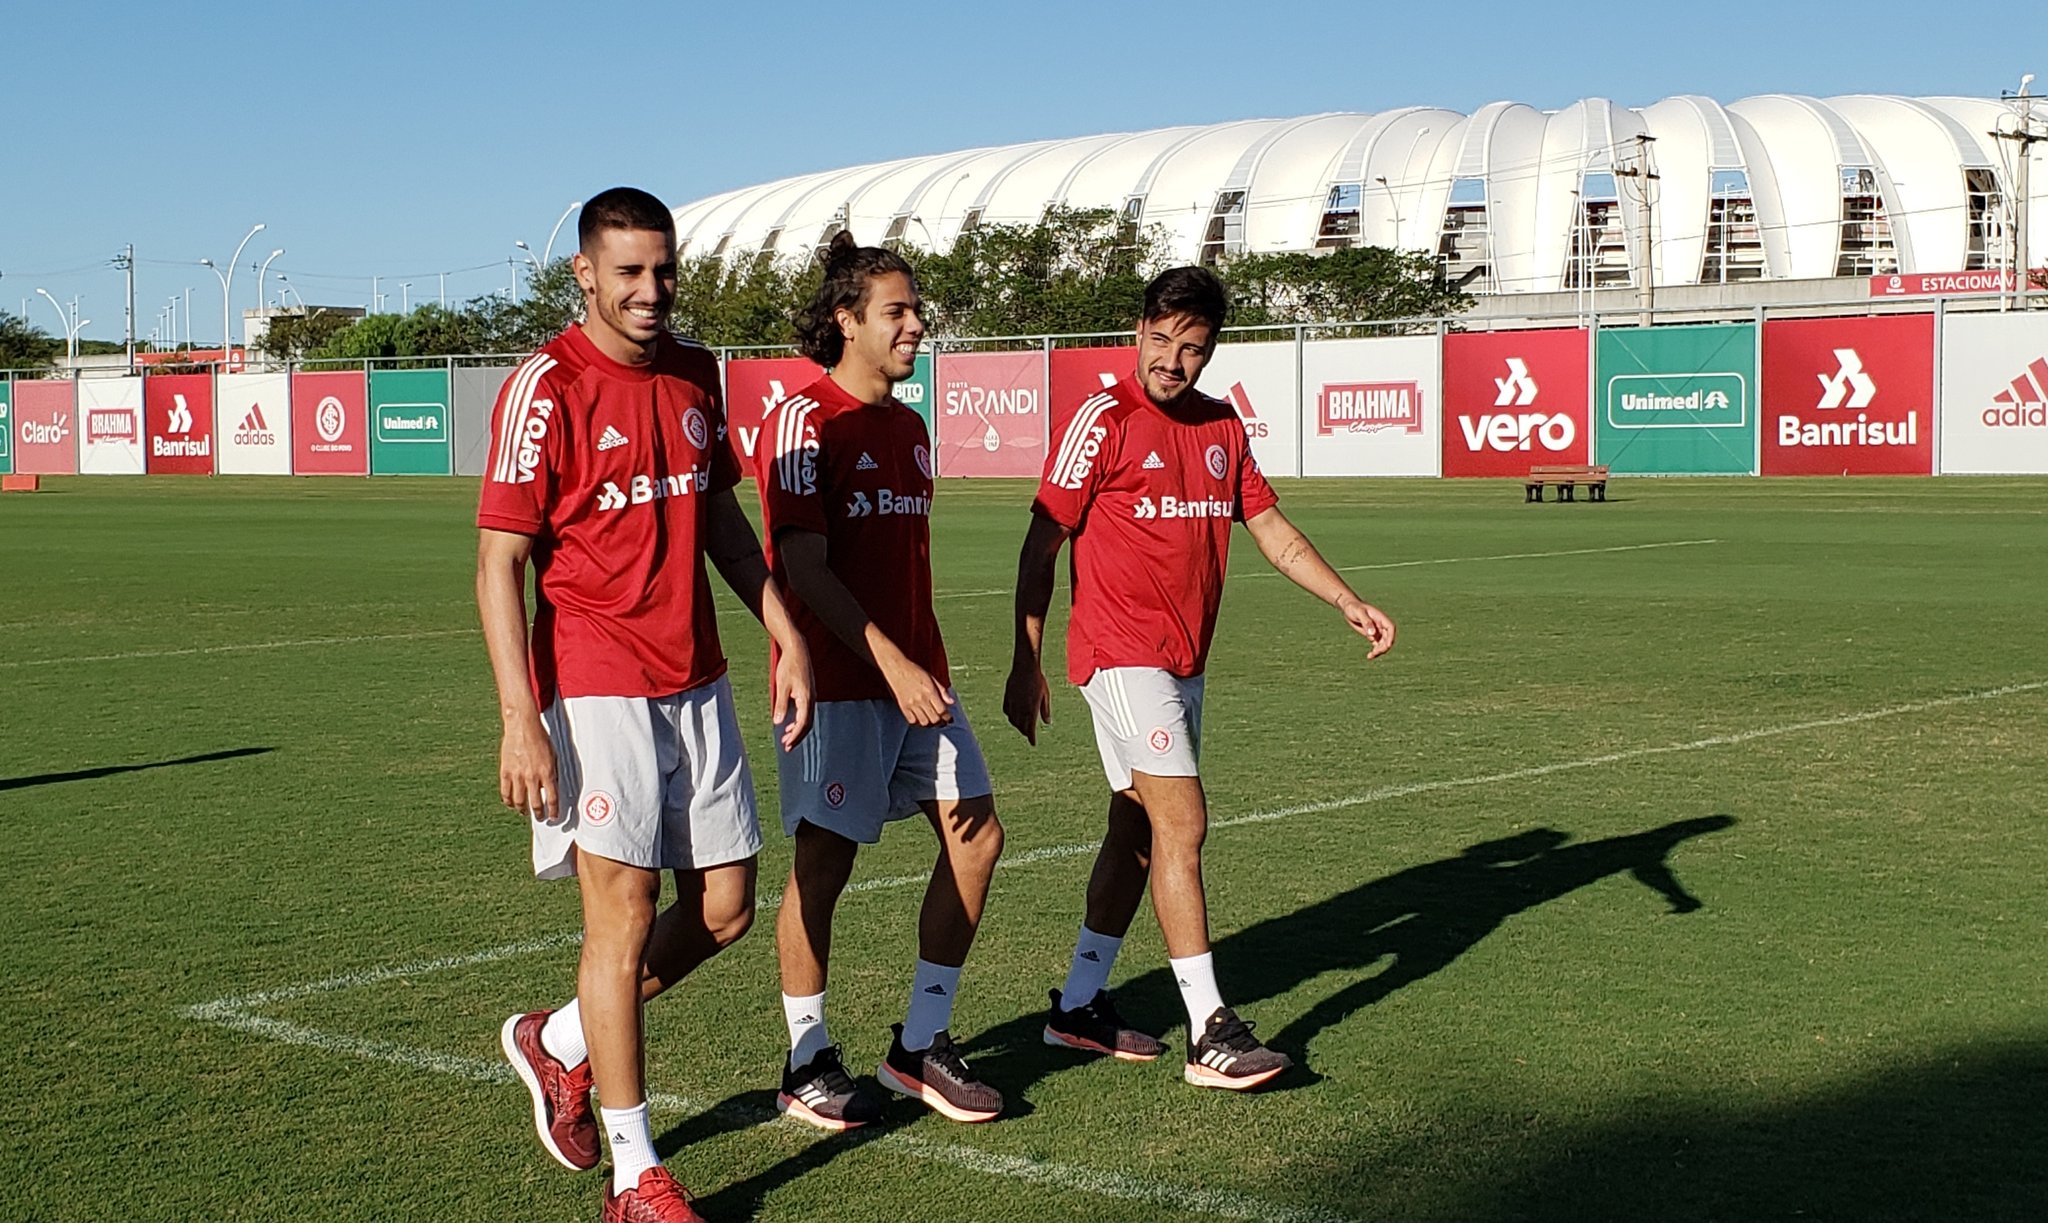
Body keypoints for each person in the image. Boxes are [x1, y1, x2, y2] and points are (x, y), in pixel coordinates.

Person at [479, 186, 814, 1223]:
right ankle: (638, 1175)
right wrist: (519, 715)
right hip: (593, 681)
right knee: (618, 916)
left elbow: (716, 517)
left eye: (662, 270)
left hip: (697, 674)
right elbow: (500, 564)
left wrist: (782, 625)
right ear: (583, 272)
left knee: (723, 909)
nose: (650, 290)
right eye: (627, 271)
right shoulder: (544, 385)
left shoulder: (694, 372)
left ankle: (560, 1041)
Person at [1004, 266, 1396, 1090]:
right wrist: (1024, 656)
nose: (1172, 362)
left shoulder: (1221, 427)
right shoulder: (1102, 418)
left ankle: (1077, 1007)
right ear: (1137, 329)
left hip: (1185, 663)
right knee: (1184, 823)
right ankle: (1209, 1027)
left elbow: (1270, 527)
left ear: (1210, 353)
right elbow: (1042, 542)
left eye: (1192, 349)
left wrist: (1345, 598)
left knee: (1138, 832)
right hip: (1117, 654)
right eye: (1161, 341)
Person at [756, 232, 1005, 1129]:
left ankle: (919, 1046)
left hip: (919, 677)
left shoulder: (911, 425)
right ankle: (807, 1058)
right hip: (836, 685)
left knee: (978, 837)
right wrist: (888, 661)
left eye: (914, 310)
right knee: (824, 864)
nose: (914, 325)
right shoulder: (803, 419)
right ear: (846, 320)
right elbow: (803, 565)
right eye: (895, 311)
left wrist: (916, 661)